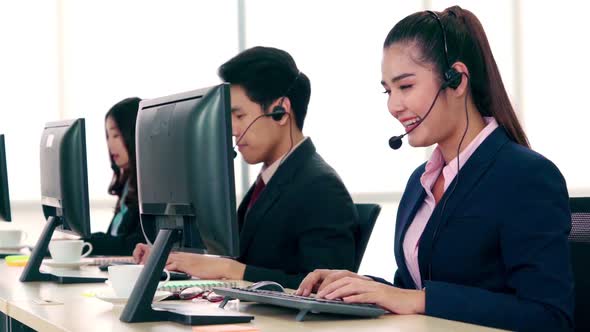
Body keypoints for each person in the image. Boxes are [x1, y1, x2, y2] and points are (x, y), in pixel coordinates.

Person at [296, 6, 574, 331]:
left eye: (406, 86)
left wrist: (419, 299)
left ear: (456, 81)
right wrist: (356, 286)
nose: (393, 105)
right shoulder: (421, 182)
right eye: (388, 90)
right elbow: (411, 289)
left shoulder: (527, 177)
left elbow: (549, 316)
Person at [134, 46, 358, 289]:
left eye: (239, 116)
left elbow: (326, 287)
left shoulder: (320, 186)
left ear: (280, 111)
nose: (230, 129)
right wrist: (181, 259)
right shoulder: (272, 179)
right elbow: (250, 260)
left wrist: (231, 269)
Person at [85, 97, 147, 256]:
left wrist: (88, 242)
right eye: (107, 136)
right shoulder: (127, 182)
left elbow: (135, 245)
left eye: (116, 135)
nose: (110, 144)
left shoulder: (150, 185)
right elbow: (115, 238)